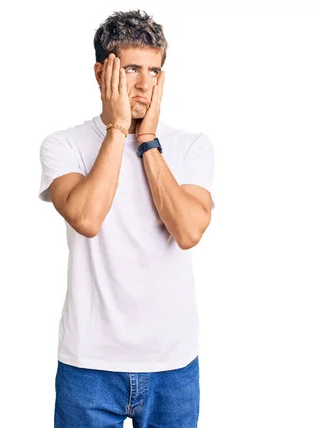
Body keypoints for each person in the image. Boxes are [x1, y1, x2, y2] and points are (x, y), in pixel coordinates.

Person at [38, 9, 215, 428]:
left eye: (154, 71)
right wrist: (118, 130)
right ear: (102, 72)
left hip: (172, 365)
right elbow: (87, 217)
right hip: (89, 365)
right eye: (131, 68)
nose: (143, 84)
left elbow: (188, 232)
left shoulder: (191, 147)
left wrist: (148, 142)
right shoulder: (63, 145)